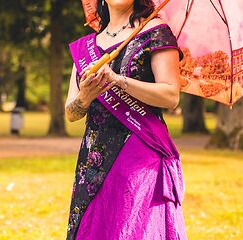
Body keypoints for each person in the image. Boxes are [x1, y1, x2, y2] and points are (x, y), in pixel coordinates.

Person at [64, 0, 187, 239]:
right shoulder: (86, 46)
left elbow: (171, 95)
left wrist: (119, 81)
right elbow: (71, 112)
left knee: (129, 228)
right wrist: (86, 97)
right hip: (93, 159)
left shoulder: (156, 32)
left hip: (138, 153)